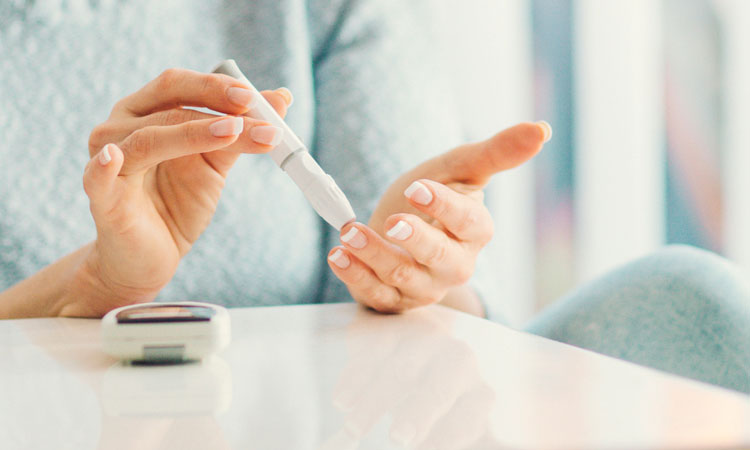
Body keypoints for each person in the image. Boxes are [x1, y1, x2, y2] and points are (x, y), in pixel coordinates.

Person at [0, 1, 747, 394]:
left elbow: (444, 352)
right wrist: (87, 291)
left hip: (352, 420)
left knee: (691, 299)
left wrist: (419, 275)